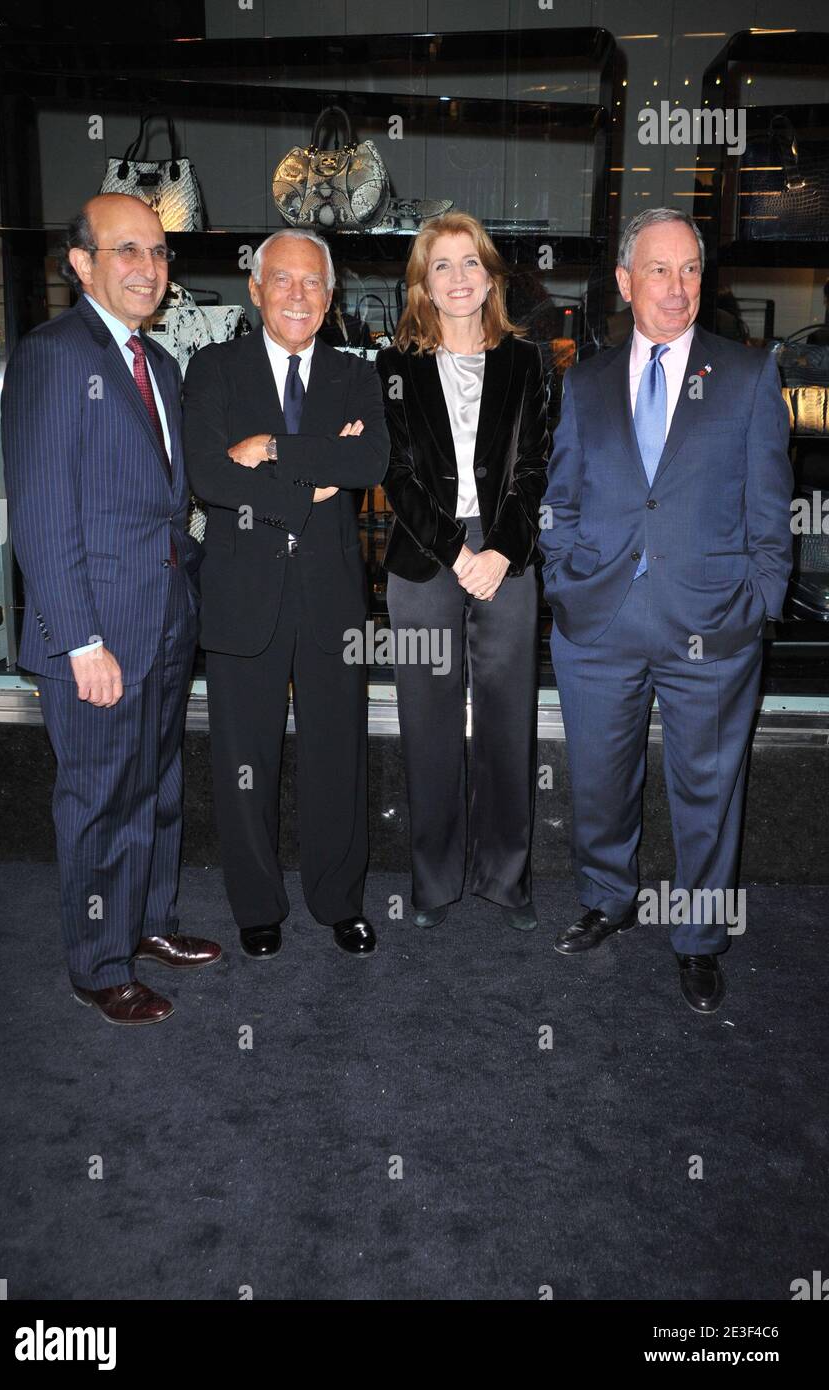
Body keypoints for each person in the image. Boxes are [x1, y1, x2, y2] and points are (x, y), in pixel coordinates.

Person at [540, 207, 792, 1013]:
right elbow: (561, 498)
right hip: (599, 625)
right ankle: (608, 900)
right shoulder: (583, 380)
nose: (677, 287)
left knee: (710, 793)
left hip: (711, 629)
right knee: (600, 783)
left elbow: (770, 511)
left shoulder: (748, 376)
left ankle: (700, 938)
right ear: (624, 281)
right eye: (659, 269)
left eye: (690, 269)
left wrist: (757, 603)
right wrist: (565, 580)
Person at [1, 192, 220, 1027]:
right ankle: (98, 961)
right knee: (100, 797)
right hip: (96, 632)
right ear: (82, 264)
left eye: (160, 252)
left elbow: (164, 500)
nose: (150, 267)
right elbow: (42, 511)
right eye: (128, 249)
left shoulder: (157, 364)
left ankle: (150, 923)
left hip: (163, 618)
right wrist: (79, 639)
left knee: (158, 784)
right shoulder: (55, 355)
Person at [183, 229, 389, 959]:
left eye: (313, 283)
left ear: (330, 298)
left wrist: (270, 448)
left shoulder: (355, 375)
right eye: (284, 280)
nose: (298, 294)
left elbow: (369, 457)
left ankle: (340, 901)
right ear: (256, 287)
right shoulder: (213, 369)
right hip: (243, 595)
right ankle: (256, 906)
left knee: (339, 753)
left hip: (331, 596)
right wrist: (310, 487)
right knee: (247, 757)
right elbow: (208, 475)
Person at [376, 211, 548, 931]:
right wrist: (457, 553)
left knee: (510, 720)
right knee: (428, 721)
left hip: (506, 555)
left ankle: (505, 878)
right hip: (425, 557)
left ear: (491, 276)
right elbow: (396, 472)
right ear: (421, 281)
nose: (456, 279)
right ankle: (435, 883)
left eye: (469, 263)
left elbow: (535, 467)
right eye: (439, 265)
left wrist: (502, 551)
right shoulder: (392, 367)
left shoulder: (527, 361)